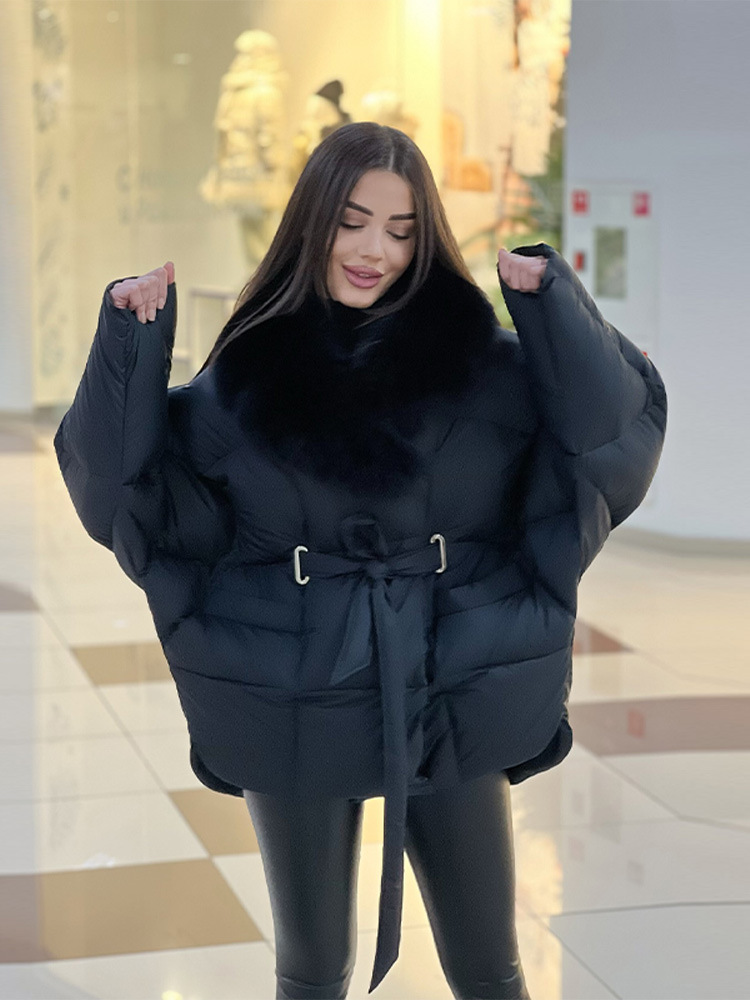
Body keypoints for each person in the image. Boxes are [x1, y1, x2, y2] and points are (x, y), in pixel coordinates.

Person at [55, 122, 667, 1000]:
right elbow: (123, 494)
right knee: (311, 968)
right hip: (294, 680)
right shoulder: (245, 376)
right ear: (313, 222)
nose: (374, 249)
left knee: (488, 966)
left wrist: (554, 308)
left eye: (401, 229)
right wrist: (129, 344)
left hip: (447, 679)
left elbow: (606, 444)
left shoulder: (482, 366)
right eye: (352, 221)